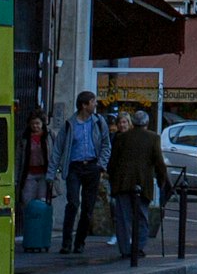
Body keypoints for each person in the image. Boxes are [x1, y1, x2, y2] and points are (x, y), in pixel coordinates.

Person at [105, 105, 163, 265]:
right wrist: (162, 179)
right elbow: (159, 161)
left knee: (123, 218)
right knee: (142, 217)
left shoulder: (121, 138)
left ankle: (125, 249)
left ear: (133, 123)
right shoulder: (153, 138)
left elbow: (113, 161)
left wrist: (112, 178)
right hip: (142, 183)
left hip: (122, 182)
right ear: (146, 123)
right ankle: (138, 247)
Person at [59, 92, 111, 258]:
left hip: (92, 167)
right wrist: (51, 173)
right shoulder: (70, 124)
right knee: (73, 203)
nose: (95, 104)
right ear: (84, 105)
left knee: (87, 208)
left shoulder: (98, 122)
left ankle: (80, 242)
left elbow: (105, 144)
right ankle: (66, 242)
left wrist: (100, 165)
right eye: (93, 102)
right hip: (74, 167)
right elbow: (58, 148)